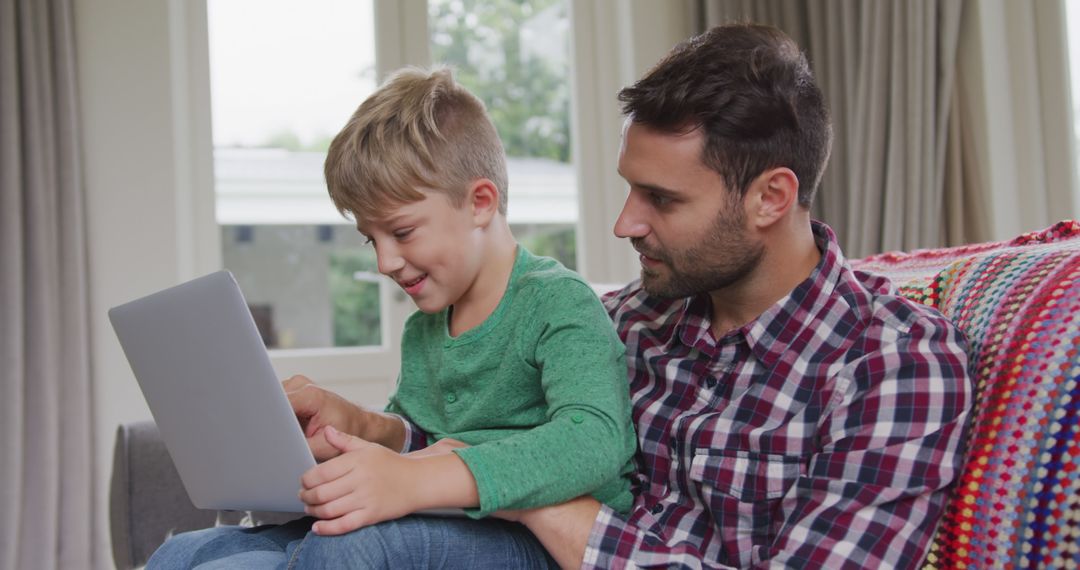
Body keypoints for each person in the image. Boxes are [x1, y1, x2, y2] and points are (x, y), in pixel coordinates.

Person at [495, 23, 974, 568]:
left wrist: (547, 506)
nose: (625, 223)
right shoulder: (621, 322)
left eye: (661, 199)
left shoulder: (895, 367)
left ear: (771, 198)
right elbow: (481, 424)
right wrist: (388, 432)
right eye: (631, 188)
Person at [146, 67, 636, 569]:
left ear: (480, 203)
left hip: (529, 539)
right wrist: (360, 429)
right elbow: (420, 438)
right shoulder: (424, 328)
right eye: (370, 239)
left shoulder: (557, 301)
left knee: (352, 541)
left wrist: (421, 478)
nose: (384, 263)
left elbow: (593, 439)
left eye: (401, 233)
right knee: (186, 550)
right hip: (441, 520)